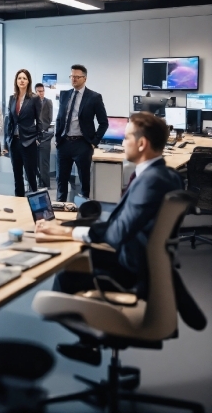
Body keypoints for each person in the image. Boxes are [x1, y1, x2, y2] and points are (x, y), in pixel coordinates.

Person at [37, 112, 183, 299]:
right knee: (77, 255)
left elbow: (119, 231)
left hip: (130, 270)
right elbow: (128, 221)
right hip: (143, 260)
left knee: (67, 273)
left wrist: (66, 232)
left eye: (126, 137)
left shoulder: (150, 182)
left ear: (142, 144)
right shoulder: (169, 176)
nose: (122, 142)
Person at [55, 64, 108, 201]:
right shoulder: (64, 95)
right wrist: (57, 138)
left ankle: (83, 213)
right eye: (72, 76)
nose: (73, 79)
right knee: (61, 181)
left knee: (84, 181)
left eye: (77, 77)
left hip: (82, 144)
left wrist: (94, 142)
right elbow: (60, 118)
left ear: (85, 78)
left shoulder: (94, 97)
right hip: (64, 143)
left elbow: (104, 123)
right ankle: (60, 210)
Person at [4, 69, 42, 196]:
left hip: (29, 141)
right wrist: (7, 142)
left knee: (31, 176)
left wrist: (38, 138)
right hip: (14, 142)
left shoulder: (34, 98)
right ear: (16, 81)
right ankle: (19, 203)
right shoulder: (12, 98)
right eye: (19, 78)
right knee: (17, 176)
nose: (21, 80)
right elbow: (9, 122)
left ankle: (36, 203)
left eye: (24, 78)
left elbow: (39, 121)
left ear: (28, 81)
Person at [34, 83, 53, 189]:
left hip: (44, 136)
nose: (41, 93)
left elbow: (49, 119)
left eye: (42, 91)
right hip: (32, 137)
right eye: (38, 91)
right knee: (34, 163)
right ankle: (38, 182)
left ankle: (45, 185)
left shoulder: (48, 102)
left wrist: (40, 130)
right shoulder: (31, 103)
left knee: (43, 163)